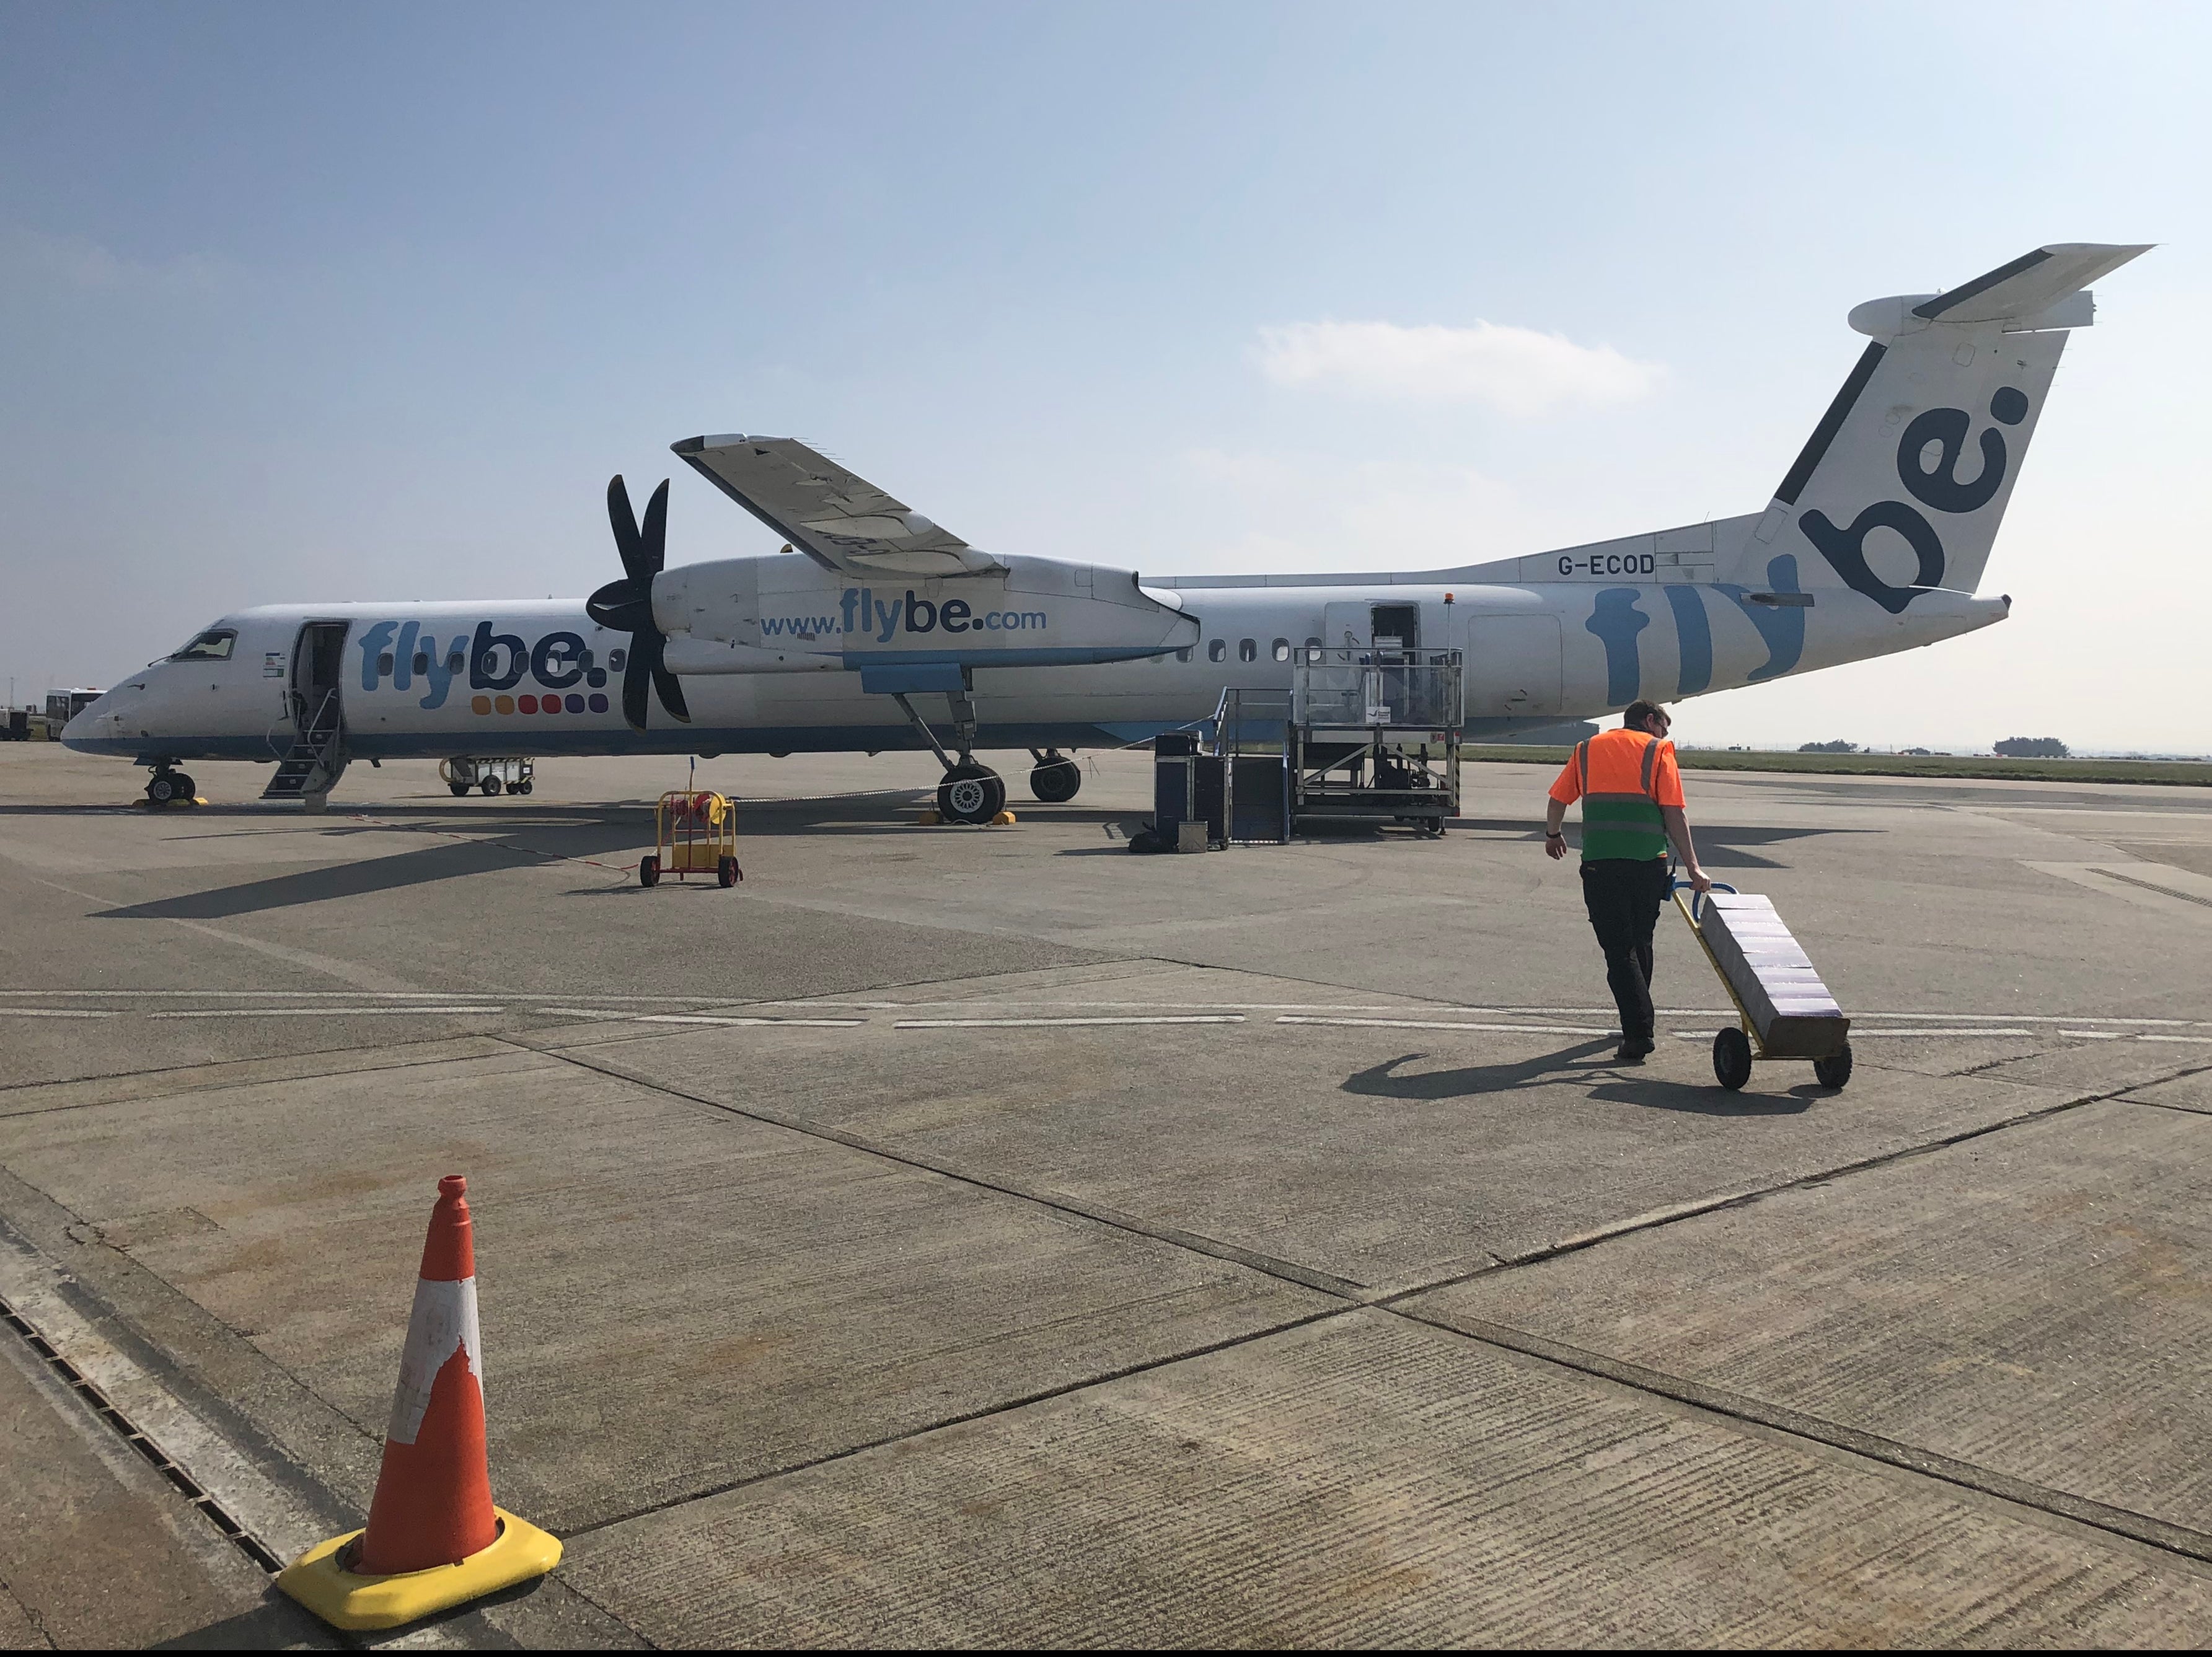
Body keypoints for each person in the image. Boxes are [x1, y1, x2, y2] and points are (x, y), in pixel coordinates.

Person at [1543, 700, 1711, 1065]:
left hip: (1602, 865)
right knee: (1640, 941)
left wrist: (1553, 834)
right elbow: (1674, 812)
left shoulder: (1586, 749)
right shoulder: (1658, 750)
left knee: (1619, 951)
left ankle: (1638, 1032)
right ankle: (1639, 1018)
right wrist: (1695, 867)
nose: (1665, 735)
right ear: (1650, 721)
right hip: (1649, 865)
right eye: (1664, 727)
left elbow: (1558, 799)